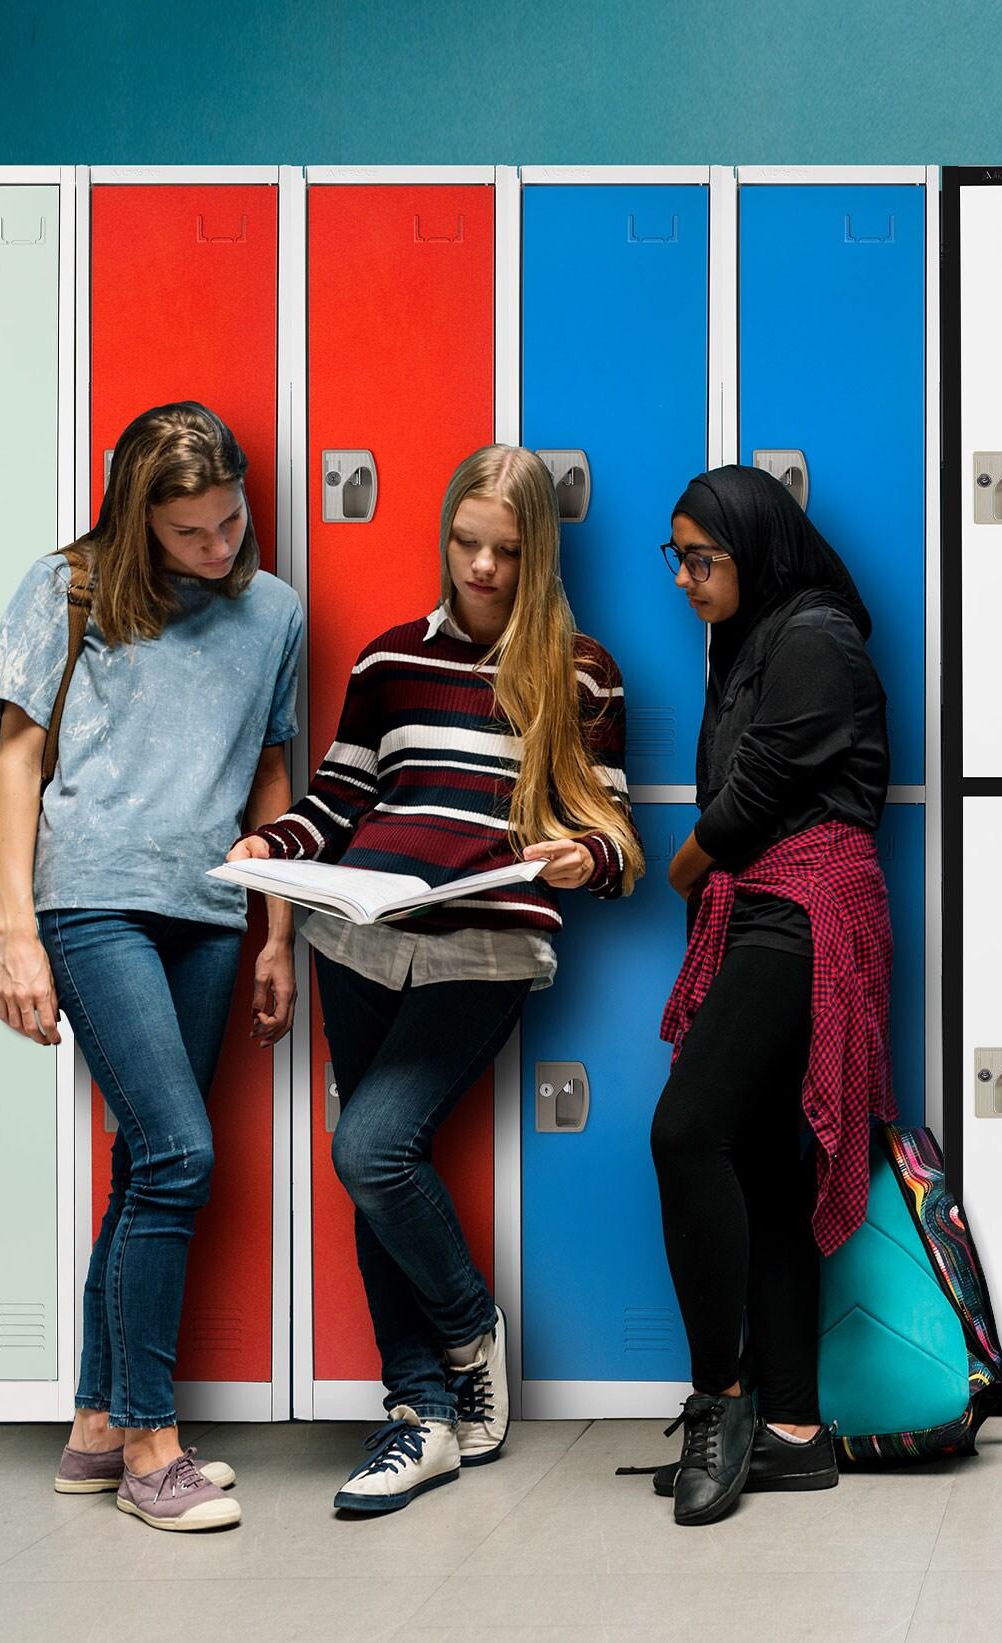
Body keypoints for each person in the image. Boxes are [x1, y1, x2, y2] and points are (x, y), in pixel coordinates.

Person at [234, 444, 637, 1514]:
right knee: (371, 1161)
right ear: (445, 536)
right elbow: (336, 799)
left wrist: (574, 856)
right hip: (359, 937)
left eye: (506, 550)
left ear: (537, 552)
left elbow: (613, 834)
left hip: (483, 947)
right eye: (467, 543)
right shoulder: (387, 663)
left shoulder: (583, 672)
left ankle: (466, 1333)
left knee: (370, 1144)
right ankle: (418, 1416)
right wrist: (276, 847)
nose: (483, 567)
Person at [0, 401, 303, 1532]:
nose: (218, 548)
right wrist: (16, 927)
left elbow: (270, 777)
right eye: (190, 535)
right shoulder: (70, 586)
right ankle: (152, 1441)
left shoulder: (274, 613)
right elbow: (17, 760)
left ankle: (95, 1425)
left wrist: (277, 933)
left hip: (208, 909)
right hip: (93, 896)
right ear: (138, 522)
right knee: (177, 1149)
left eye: (229, 520)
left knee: (143, 1167)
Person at [641, 465, 892, 1526]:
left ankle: (722, 1398)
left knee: (685, 1131)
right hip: (767, 909)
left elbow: (755, 792)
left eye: (704, 557)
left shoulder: (814, 631)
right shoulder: (750, 639)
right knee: (753, 1161)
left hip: (807, 907)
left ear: (757, 545)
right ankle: (793, 1427)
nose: (688, 577)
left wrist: (686, 865)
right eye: (679, 557)